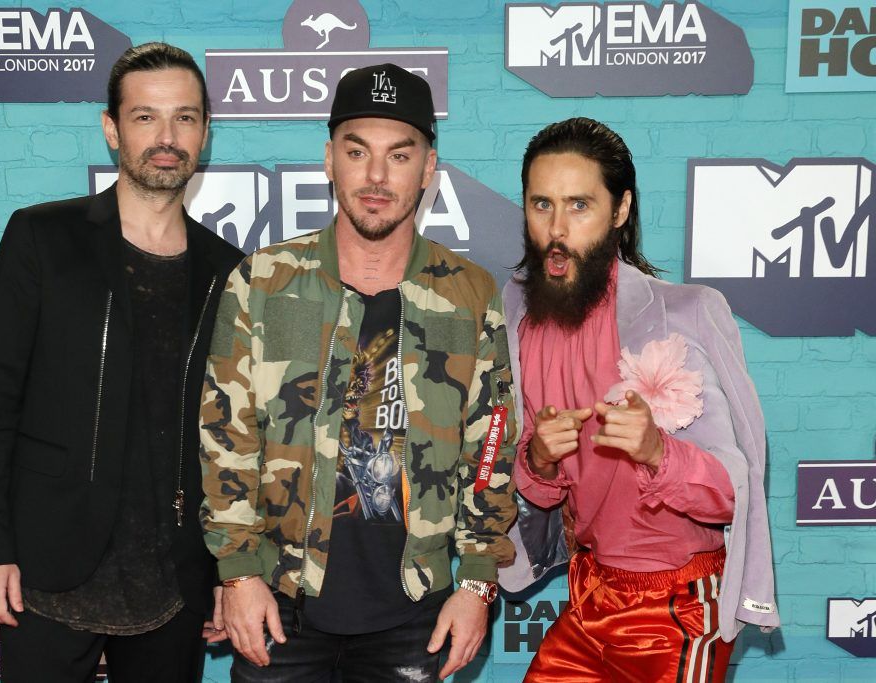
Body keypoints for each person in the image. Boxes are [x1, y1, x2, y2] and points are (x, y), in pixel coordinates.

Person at [199, 63, 518, 682]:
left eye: (400, 155)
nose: (376, 177)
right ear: (329, 159)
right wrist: (237, 573)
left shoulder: (470, 296)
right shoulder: (263, 284)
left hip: (416, 615)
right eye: (357, 151)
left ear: (428, 169)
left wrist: (477, 583)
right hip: (279, 605)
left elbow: (492, 445)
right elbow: (224, 439)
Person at [0, 42, 244, 682]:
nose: (167, 137)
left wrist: (233, 570)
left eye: (186, 118)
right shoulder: (43, 239)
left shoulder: (228, 271)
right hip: (46, 568)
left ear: (205, 131)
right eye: (146, 117)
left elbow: (234, 439)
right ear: (112, 127)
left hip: (174, 578)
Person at [498, 117, 779, 682]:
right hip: (590, 592)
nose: (557, 228)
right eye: (541, 204)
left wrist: (658, 451)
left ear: (621, 210)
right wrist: (538, 460)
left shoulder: (687, 313)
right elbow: (537, 486)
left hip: (678, 603)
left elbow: (733, 490)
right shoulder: (521, 315)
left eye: (580, 206)